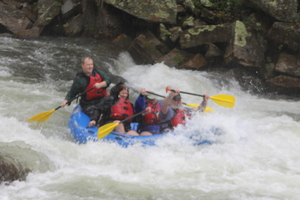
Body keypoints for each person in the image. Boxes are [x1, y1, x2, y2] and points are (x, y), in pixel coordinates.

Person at [61, 56, 111, 127]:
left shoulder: (98, 73)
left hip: (101, 100)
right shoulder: (80, 79)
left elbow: (108, 80)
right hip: (88, 103)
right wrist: (66, 100)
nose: (90, 67)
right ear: (82, 65)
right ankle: (95, 122)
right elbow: (73, 92)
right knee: (95, 111)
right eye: (88, 65)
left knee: (113, 103)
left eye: (91, 64)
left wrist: (100, 84)